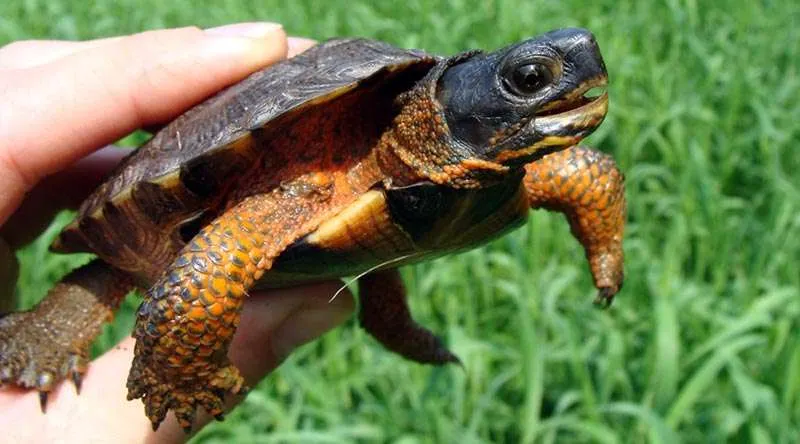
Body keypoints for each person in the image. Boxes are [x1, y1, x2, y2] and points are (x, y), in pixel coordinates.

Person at [0, 22, 355, 443]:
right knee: (122, 266)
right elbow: (210, 259)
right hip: (195, 214)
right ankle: (50, 330)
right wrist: (179, 365)